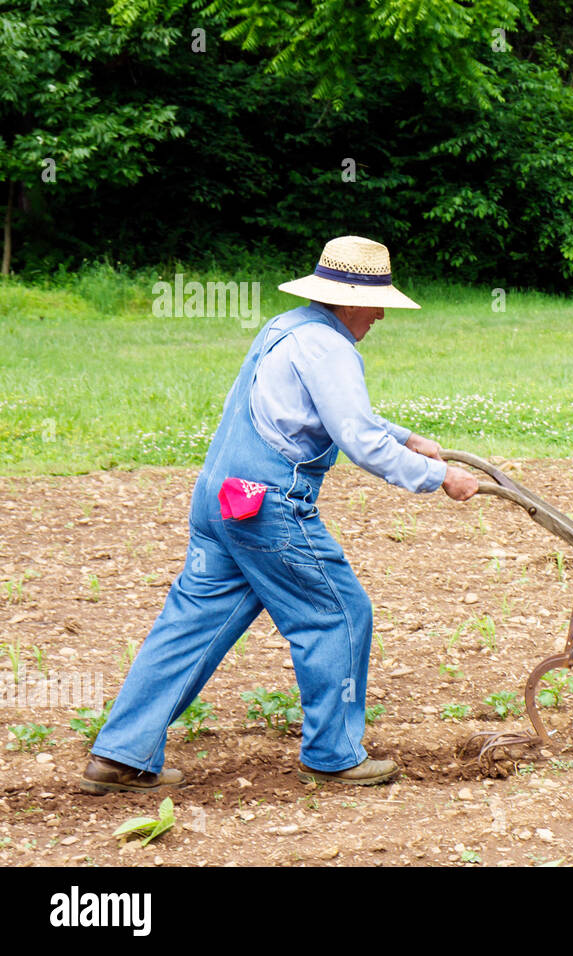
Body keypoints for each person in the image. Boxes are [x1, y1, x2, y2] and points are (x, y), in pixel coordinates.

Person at [79, 236, 479, 793]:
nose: (382, 314)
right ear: (349, 300)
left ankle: (122, 754)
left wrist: (407, 437)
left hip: (223, 500)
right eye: (377, 302)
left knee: (191, 625)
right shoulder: (332, 348)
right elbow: (358, 439)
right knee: (338, 614)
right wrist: (441, 478)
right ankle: (333, 754)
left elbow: (334, 416)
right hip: (267, 507)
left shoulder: (286, 328)